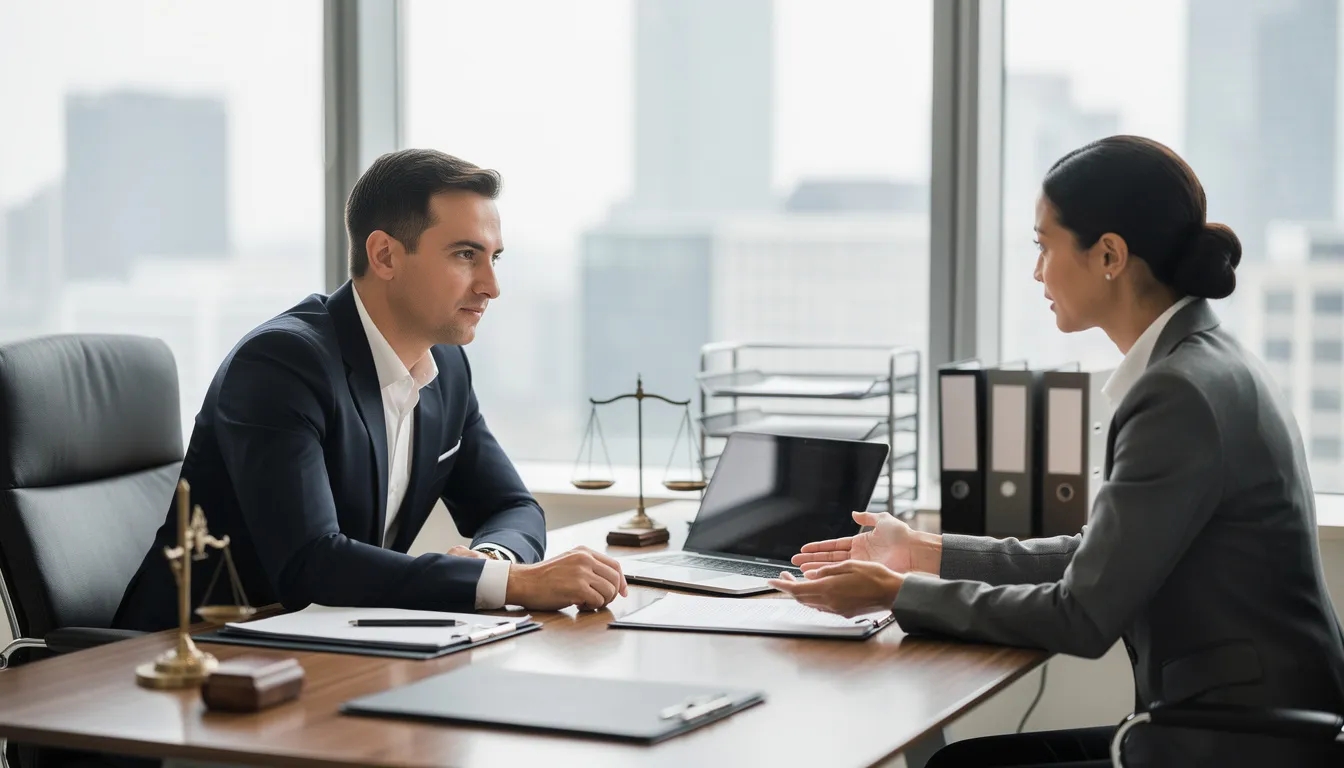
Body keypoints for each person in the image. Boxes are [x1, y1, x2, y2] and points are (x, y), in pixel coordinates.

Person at [769, 136, 1344, 767]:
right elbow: (1094, 558)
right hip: (1248, 728)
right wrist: (926, 552)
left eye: (1044, 246)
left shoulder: (1179, 394)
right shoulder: (1203, 362)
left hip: (1241, 747)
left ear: (1109, 255)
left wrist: (897, 592)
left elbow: (1081, 614)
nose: (1037, 272)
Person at [115, 149, 626, 632]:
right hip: (188, 663)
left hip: (335, 648)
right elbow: (310, 564)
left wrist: (493, 560)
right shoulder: (280, 364)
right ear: (384, 255)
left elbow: (513, 507)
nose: (491, 285)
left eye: (495, 257)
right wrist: (509, 584)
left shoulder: (446, 367)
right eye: (466, 255)